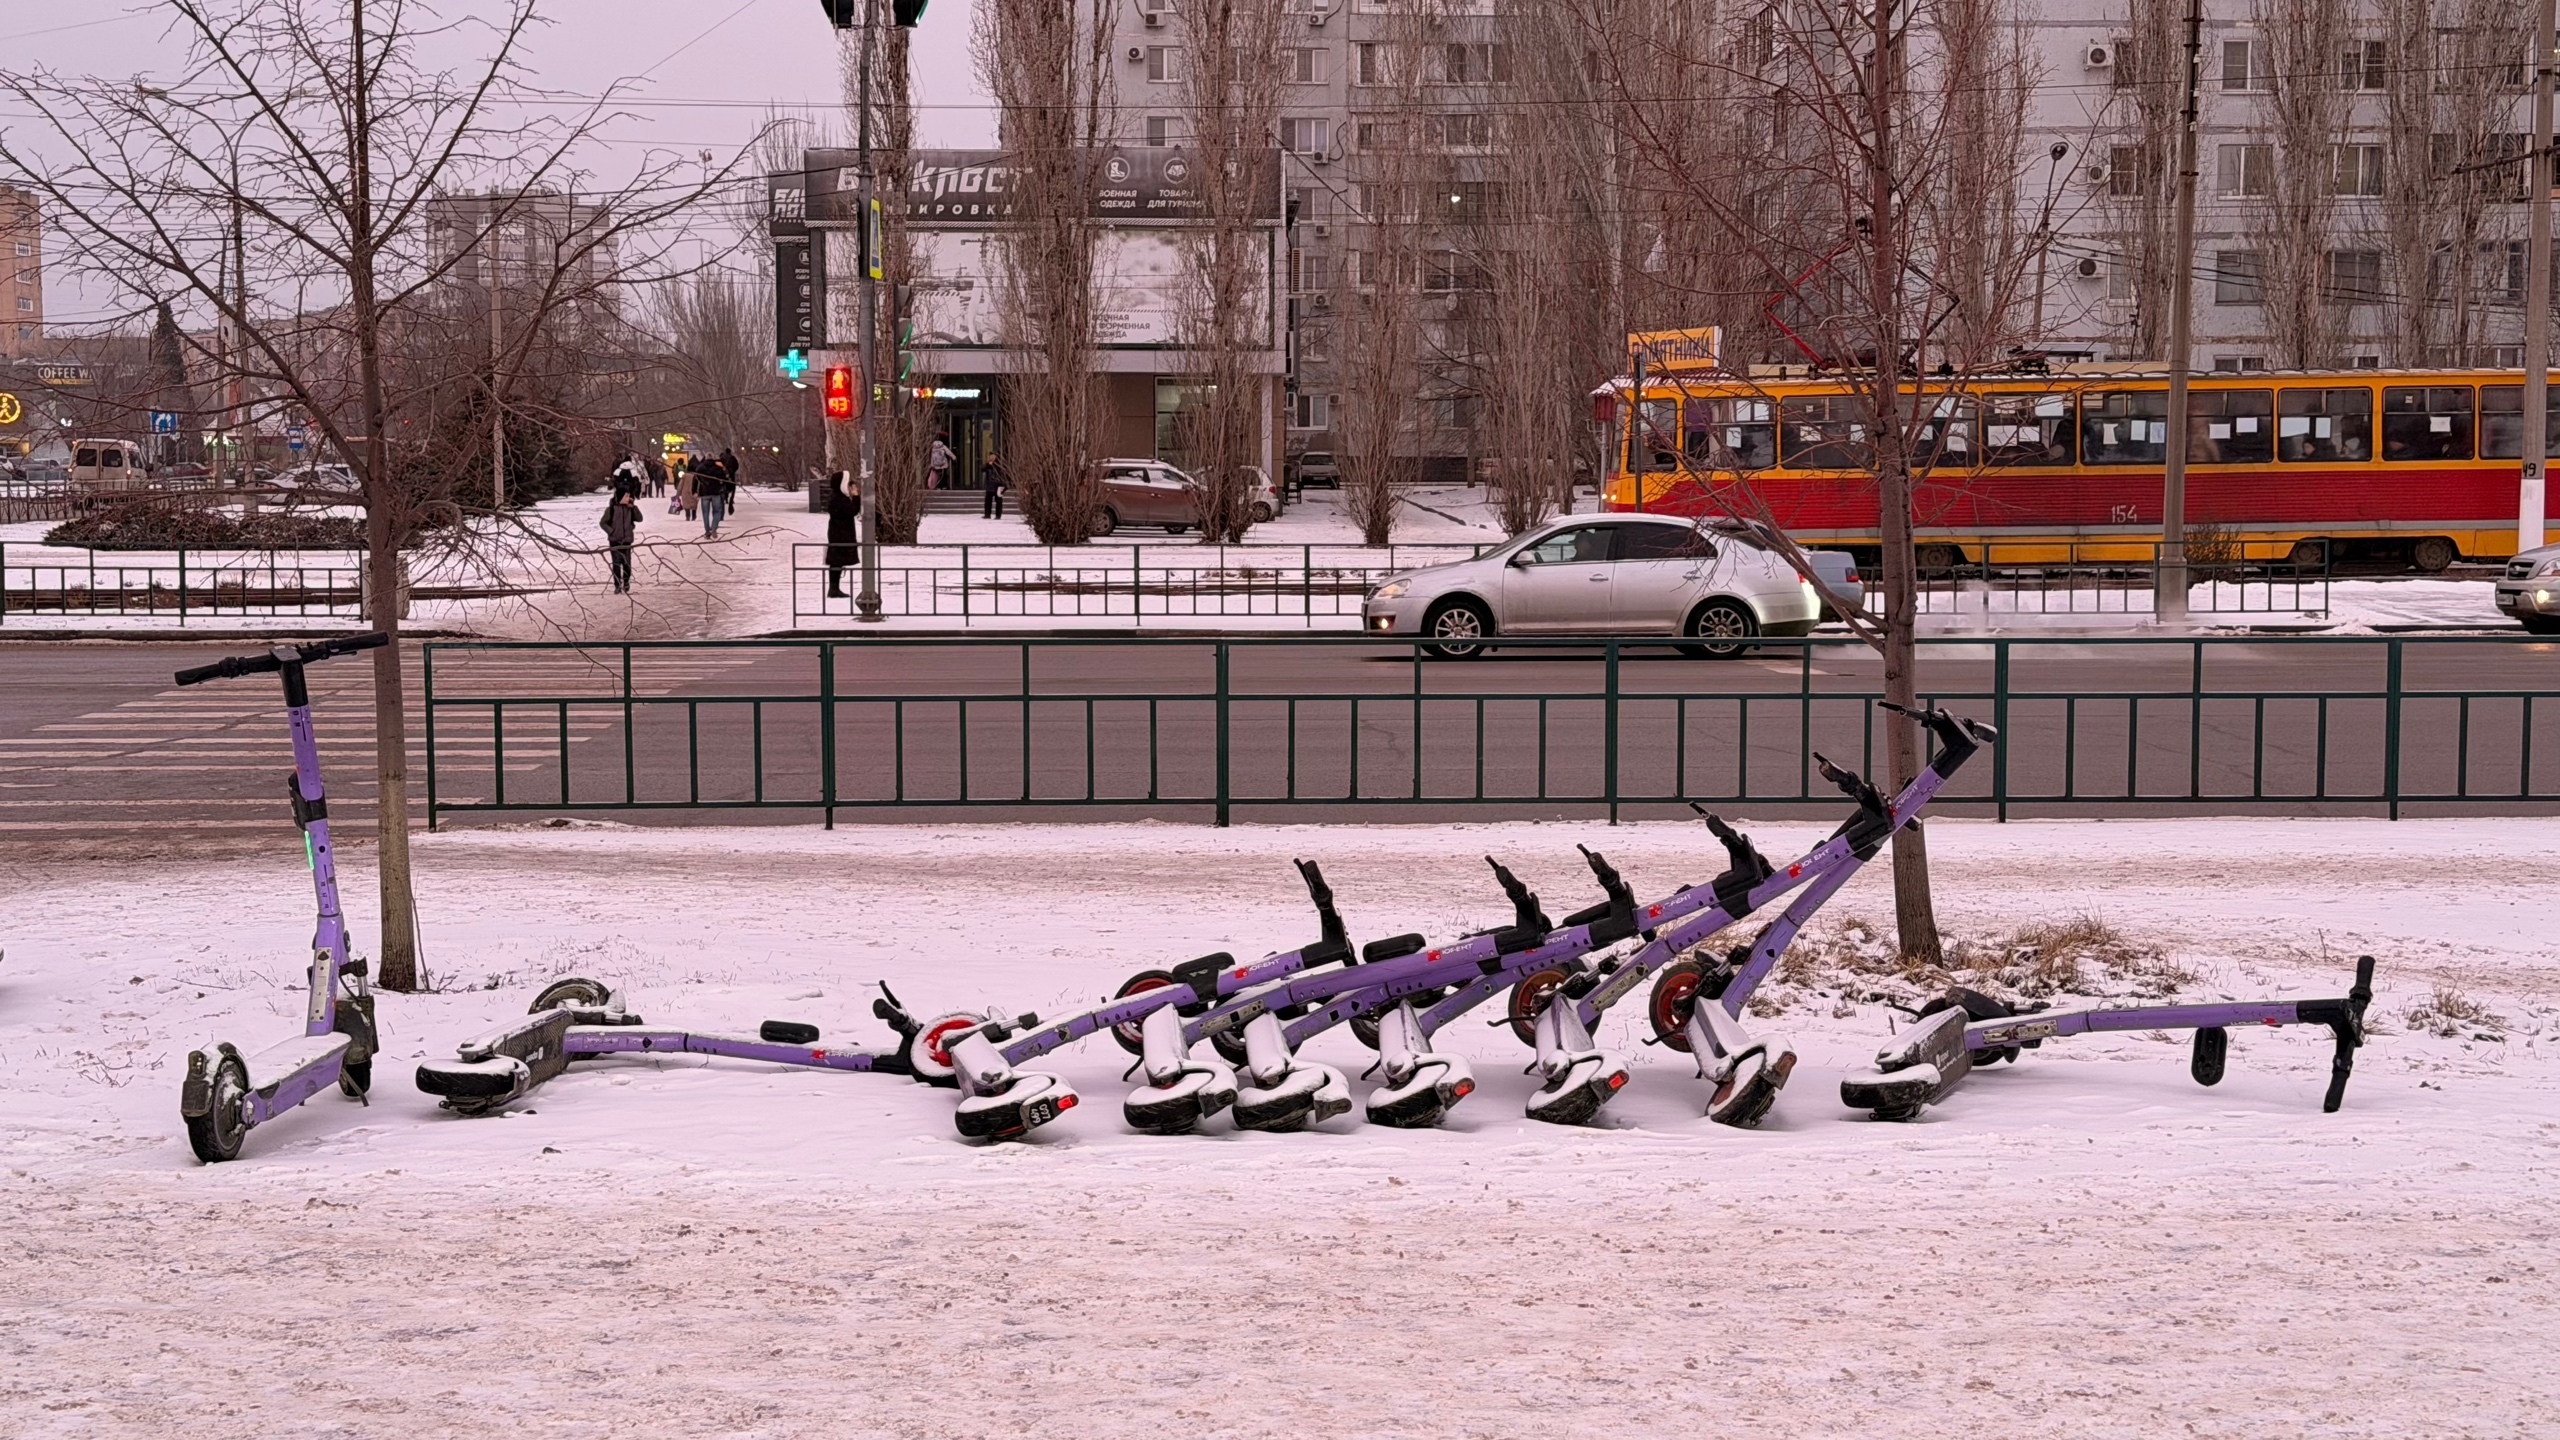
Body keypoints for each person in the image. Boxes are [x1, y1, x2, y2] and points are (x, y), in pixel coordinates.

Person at [824, 470, 861, 598]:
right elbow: (852, 511)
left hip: (838, 531)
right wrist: (856, 496)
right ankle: (834, 589)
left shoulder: (836, 497)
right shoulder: (838, 498)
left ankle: (834, 588)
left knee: (837, 561)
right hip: (840, 532)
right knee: (836, 561)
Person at [599, 488, 641, 593]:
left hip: (626, 540)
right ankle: (617, 585)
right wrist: (611, 531)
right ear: (620, 497)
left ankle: (626, 583)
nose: (628, 498)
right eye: (626, 496)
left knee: (626, 563)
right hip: (615, 540)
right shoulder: (611, 509)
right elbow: (603, 523)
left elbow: (640, 519)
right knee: (616, 564)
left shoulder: (630, 509)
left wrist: (634, 507)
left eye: (629, 496)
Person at [700, 459, 731, 536]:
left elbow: (696, 476)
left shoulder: (701, 467)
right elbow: (726, 477)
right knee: (717, 511)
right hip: (716, 492)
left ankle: (707, 531)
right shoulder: (718, 468)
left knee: (705, 513)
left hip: (705, 493)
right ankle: (714, 528)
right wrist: (723, 468)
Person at [980, 450, 1011, 520]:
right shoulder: (988, 465)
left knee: (998, 501)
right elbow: (982, 469)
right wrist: (988, 464)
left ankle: (998, 515)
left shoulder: (999, 465)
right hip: (989, 486)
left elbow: (1003, 474)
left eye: (993, 456)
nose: (991, 457)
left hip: (998, 485)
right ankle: (987, 514)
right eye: (990, 456)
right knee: (988, 501)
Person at [675, 455, 699, 521]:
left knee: (686, 505)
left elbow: (680, 485)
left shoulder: (684, 476)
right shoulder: (696, 476)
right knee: (694, 504)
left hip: (685, 492)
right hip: (694, 492)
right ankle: (694, 516)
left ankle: (687, 516)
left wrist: (678, 493)